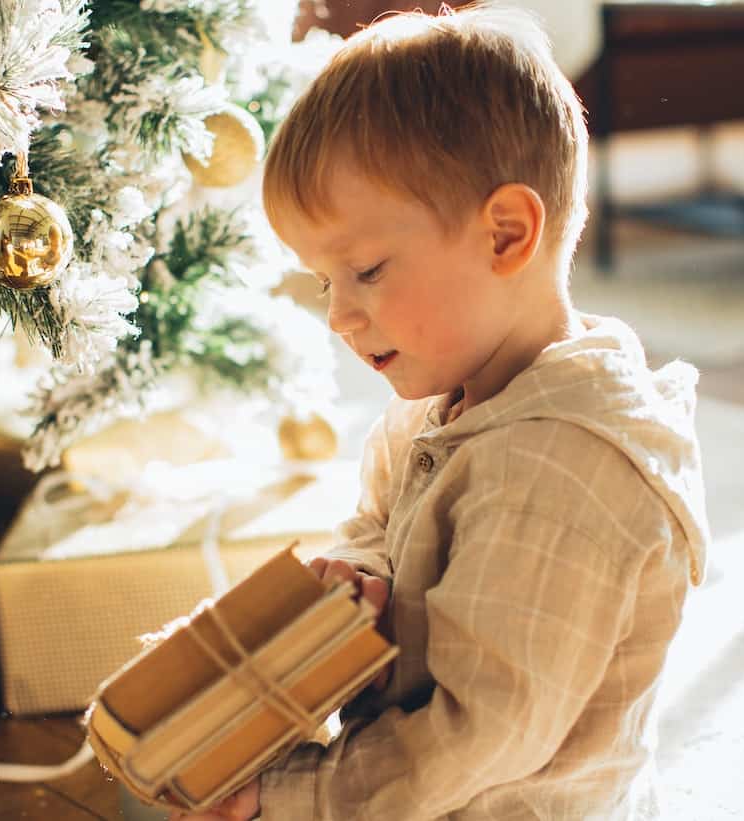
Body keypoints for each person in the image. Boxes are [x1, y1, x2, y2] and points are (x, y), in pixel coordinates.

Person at [174, 2, 709, 818]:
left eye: (367, 270)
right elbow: (376, 523)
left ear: (504, 236)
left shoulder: (560, 467)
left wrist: (295, 798)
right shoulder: (439, 401)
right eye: (326, 282)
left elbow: (484, 731)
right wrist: (362, 579)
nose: (339, 316)